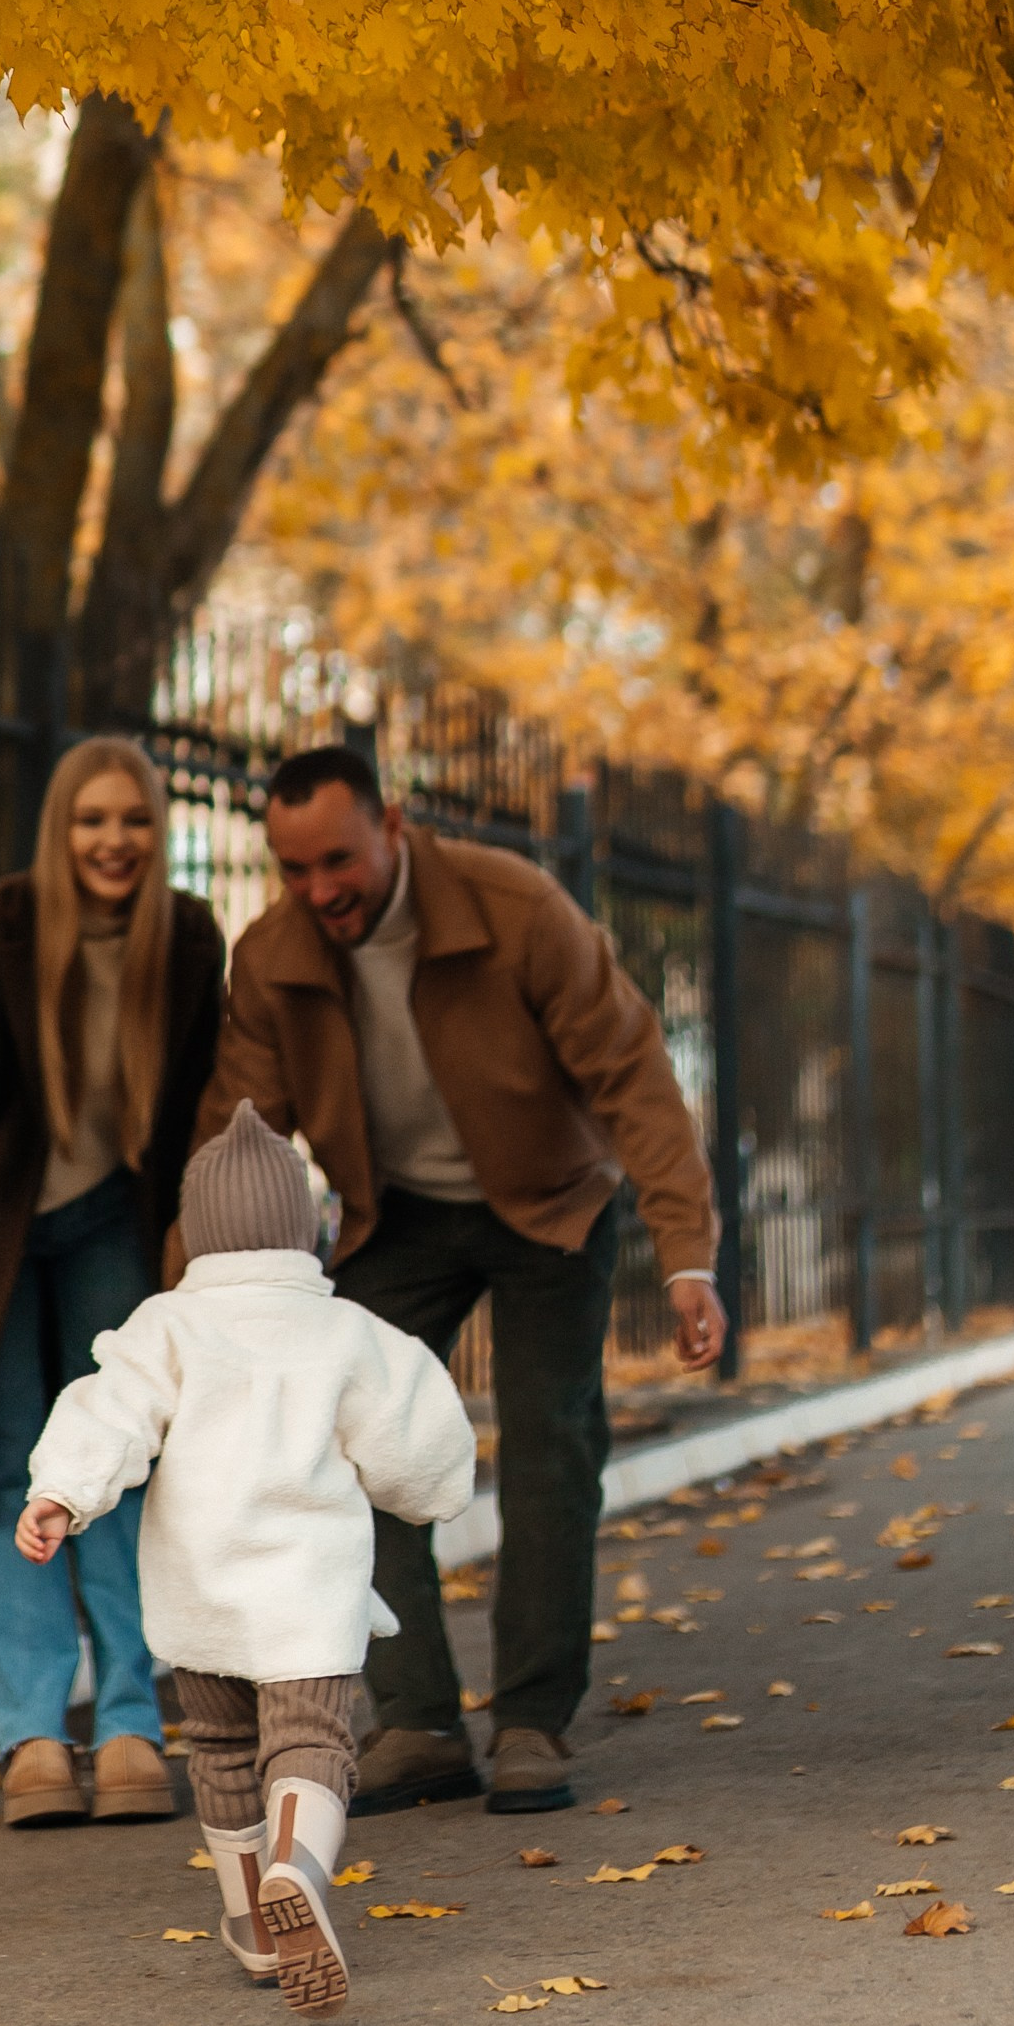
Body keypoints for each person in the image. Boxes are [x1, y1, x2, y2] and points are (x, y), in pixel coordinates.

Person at [190, 743, 723, 1820]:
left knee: (547, 1441)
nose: (319, 890)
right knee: (351, 1444)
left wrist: (688, 1255)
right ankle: (422, 1721)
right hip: (401, 1216)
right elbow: (235, 1137)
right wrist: (194, 1306)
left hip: (552, 1204)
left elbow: (633, 1074)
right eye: (294, 870)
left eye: (337, 860)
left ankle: (531, 1720)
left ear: (393, 823)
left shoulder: (513, 907)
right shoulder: (277, 954)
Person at [19, 1102, 476, 2019]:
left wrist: (61, 1494)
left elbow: (108, 1410)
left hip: (201, 1596)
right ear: (304, 1232)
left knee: (223, 1750)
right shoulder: (349, 1332)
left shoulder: (165, 1326)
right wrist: (437, 1492)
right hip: (308, 1598)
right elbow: (420, 1447)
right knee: (312, 1742)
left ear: (197, 1235)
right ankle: (298, 1869)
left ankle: (252, 1923)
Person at [0, 735, 225, 1826]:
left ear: (156, 828)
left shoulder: (184, 937)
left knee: (119, 1467)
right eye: (91, 820)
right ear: (61, 830)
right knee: (5, 1473)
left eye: (132, 818)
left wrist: (205, 1234)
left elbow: (204, 1098)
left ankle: (132, 1728)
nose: (113, 840)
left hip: (112, 1227)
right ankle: (34, 1739)